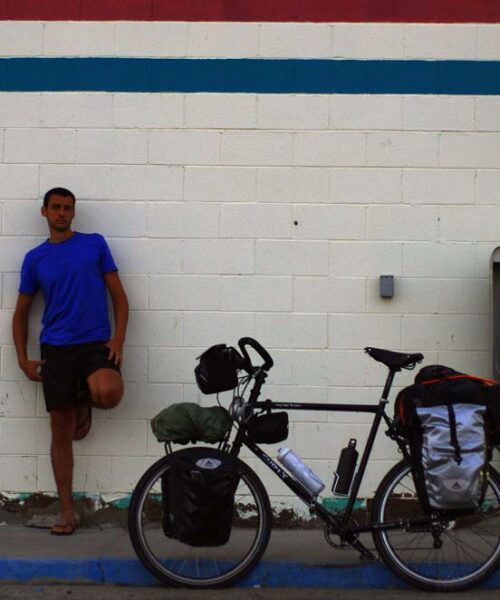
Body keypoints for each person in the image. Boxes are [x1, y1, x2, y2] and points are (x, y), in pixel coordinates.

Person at [12, 188, 129, 535]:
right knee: (60, 432)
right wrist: (22, 359)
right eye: (56, 207)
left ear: (73, 213)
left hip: (94, 343)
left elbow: (120, 297)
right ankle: (66, 512)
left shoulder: (94, 244)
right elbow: (20, 313)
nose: (62, 213)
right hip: (56, 348)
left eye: (67, 208)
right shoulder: (35, 258)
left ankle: (85, 400)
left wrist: (118, 339)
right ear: (44, 212)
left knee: (109, 392)